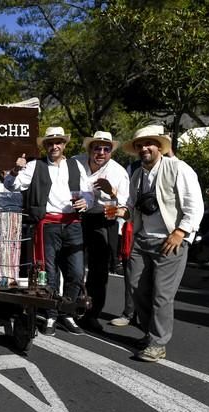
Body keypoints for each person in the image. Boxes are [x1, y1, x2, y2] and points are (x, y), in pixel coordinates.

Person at [116, 125, 204, 362]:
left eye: (149, 144)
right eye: (139, 145)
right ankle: (150, 333)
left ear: (159, 147)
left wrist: (181, 231)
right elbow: (132, 206)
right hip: (143, 239)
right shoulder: (137, 174)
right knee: (135, 289)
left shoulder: (179, 168)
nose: (144, 148)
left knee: (162, 295)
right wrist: (122, 210)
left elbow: (194, 205)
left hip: (170, 240)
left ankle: (158, 343)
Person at [5, 126, 93, 336]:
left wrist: (85, 202)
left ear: (64, 145)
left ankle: (68, 313)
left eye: (58, 142)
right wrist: (16, 170)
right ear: (45, 146)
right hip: (48, 224)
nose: (55, 146)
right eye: (50, 143)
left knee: (77, 271)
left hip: (72, 223)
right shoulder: (36, 165)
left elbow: (89, 193)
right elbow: (12, 185)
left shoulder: (76, 166)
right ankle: (52, 314)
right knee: (50, 273)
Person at [74, 131, 130, 332]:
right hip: (77, 215)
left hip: (104, 219)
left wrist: (110, 192)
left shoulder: (118, 172)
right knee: (73, 263)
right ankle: (69, 307)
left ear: (111, 152)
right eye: (97, 148)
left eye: (106, 149)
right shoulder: (75, 163)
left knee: (99, 270)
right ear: (90, 149)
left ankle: (92, 314)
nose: (101, 152)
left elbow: (125, 206)